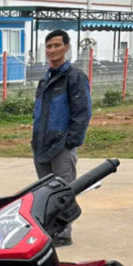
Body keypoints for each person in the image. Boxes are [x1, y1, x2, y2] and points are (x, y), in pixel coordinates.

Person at [32, 29, 92, 247]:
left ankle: (64, 232)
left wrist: (70, 142)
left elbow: (82, 112)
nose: (53, 50)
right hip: (41, 146)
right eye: (49, 46)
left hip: (61, 147)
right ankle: (51, 229)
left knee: (64, 190)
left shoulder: (74, 78)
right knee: (46, 192)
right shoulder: (45, 80)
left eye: (57, 45)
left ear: (67, 47)